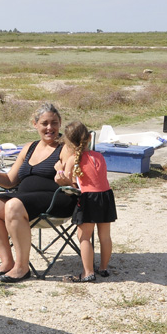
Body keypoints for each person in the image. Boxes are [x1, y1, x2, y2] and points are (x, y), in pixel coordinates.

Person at [0, 103, 73, 283]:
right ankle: (7, 262)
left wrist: (63, 178)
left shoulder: (65, 148)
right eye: (45, 123)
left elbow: (73, 181)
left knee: (14, 205)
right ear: (35, 124)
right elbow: (10, 181)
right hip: (24, 201)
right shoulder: (29, 148)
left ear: (60, 124)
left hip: (56, 199)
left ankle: (22, 267)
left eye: (54, 123)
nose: (50, 128)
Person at [55, 120, 116, 283]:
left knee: (84, 237)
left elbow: (68, 182)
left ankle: (87, 272)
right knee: (105, 236)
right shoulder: (99, 157)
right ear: (90, 137)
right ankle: (103, 268)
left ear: (68, 143)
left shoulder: (72, 160)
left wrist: (58, 169)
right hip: (105, 196)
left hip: (88, 199)